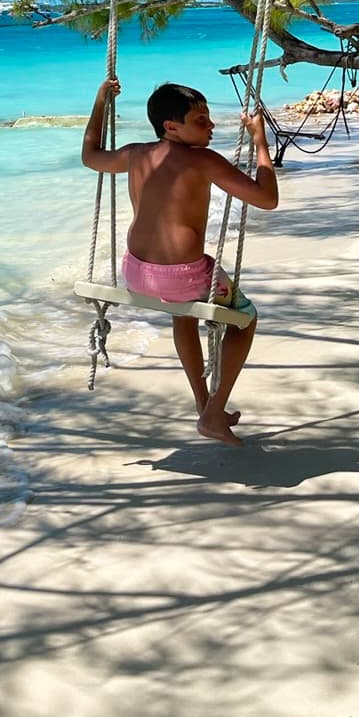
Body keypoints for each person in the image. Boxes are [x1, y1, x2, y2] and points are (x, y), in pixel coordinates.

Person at [81, 80, 278, 446]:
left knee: (183, 316)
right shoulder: (202, 160)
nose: (212, 126)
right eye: (201, 120)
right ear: (171, 127)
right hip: (184, 279)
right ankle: (214, 412)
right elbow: (267, 199)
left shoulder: (135, 153)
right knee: (246, 321)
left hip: (136, 274)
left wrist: (99, 102)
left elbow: (90, 155)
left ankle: (204, 405)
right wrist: (260, 141)